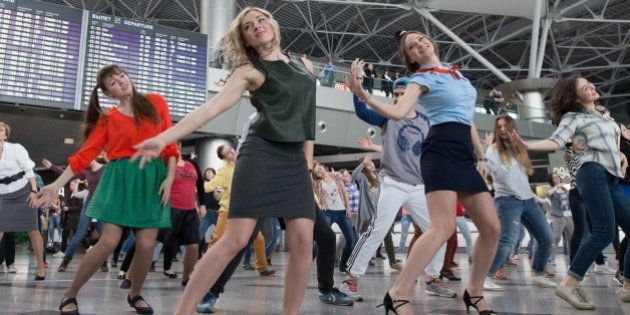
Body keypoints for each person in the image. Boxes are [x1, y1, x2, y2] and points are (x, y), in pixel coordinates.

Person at [132, 7, 317, 314]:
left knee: (303, 242)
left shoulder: (304, 65)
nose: (257, 26)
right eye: (248, 26)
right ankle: (183, 310)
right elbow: (211, 108)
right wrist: (164, 137)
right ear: (245, 39)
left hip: (294, 160)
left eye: (261, 19)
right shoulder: (250, 71)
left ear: (272, 23)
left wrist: (307, 165)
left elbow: (309, 118)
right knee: (235, 239)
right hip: (261, 154)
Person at [346, 30, 500, 314]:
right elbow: (398, 111)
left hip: (463, 154)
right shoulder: (421, 79)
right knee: (441, 227)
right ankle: (398, 291)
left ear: (431, 42)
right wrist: (364, 95)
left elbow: (469, 121)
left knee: (491, 228)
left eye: (420, 38)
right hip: (438, 152)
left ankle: (474, 291)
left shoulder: (457, 76)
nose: (418, 44)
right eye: (411, 46)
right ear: (411, 59)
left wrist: (482, 157)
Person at [32, 64, 180, 315]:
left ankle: (135, 294)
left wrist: (169, 177)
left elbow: (170, 141)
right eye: (113, 82)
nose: (120, 81)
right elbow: (84, 155)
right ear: (109, 93)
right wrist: (56, 185)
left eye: (121, 75)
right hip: (121, 178)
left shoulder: (156, 102)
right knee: (108, 241)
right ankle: (70, 295)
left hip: (152, 176)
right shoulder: (108, 119)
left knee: (146, 244)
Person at [508, 75, 630, 310]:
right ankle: (570, 283)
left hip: (611, 177)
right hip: (592, 172)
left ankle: (627, 286)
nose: (592, 87)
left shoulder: (605, 114)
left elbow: (611, 144)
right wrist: (528, 145)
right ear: (575, 96)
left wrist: (621, 155)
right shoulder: (574, 117)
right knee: (604, 232)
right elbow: (556, 141)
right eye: (585, 87)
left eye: (591, 84)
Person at [342, 76, 456, 302]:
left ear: (413, 96)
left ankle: (432, 278)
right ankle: (351, 279)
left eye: (402, 94)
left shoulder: (426, 122)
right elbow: (364, 113)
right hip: (392, 183)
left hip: (419, 186)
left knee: (440, 231)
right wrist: (357, 93)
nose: (398, 98)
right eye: (395, 95)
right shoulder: (387, 116)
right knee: (377, 230)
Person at [483, 115, 556, 291]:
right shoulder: (492, 150)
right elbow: (498, 176)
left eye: (505, 126)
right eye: (498, 126)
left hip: (528, 201)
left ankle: (537, 272)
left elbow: (522, 181)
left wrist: (539, 199)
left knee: (547, 238)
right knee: (507, 240)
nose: (502, 129)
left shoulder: (520, 150)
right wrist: (488, 149)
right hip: (507, 200)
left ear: (512, 127)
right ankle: (486, 277)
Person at [0, 121, 46, 281]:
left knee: (33, 230)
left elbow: (28, 169)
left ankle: (41, 267)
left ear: (5, 135)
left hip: (23, 193)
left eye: (0, 130)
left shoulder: (16, 148)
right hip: (3, 195)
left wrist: (34, 190)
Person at [43, 158, 107, 272]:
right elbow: (68, 175)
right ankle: (65, 262)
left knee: (104, 237)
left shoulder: (106, 169)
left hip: (101, 206)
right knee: (79, 234)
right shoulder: (86, 171)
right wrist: (51, 166)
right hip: (89, 205)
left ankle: (103, 262)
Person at [546, 173, 574, 262]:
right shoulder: (551, 189)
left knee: (572, 238)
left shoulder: (565, 189)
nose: (557, 178)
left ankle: (572, 258)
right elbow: (547, 195)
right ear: (551, 179)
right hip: (558, 217)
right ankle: (551, 258)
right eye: (554, 177)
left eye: (558, 176)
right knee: (556, 238)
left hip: (568, 216)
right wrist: (557, 186)